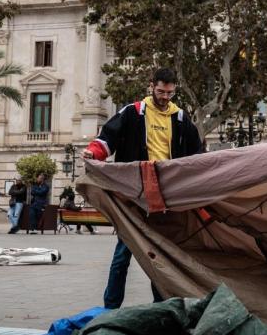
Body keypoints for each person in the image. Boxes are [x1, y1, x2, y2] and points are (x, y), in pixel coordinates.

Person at [83, 67, 204, 310]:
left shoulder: (180, 118)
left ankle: (160, 306)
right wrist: (94, 152)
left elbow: (197, 155)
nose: (165, 97)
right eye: (161, 91)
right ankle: (110, 307)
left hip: (164, 197)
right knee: (122, 255)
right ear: (152, 87)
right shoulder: (133, 112)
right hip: (134, 195)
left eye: (169, 93)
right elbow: (109, 137)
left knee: (158, 256)